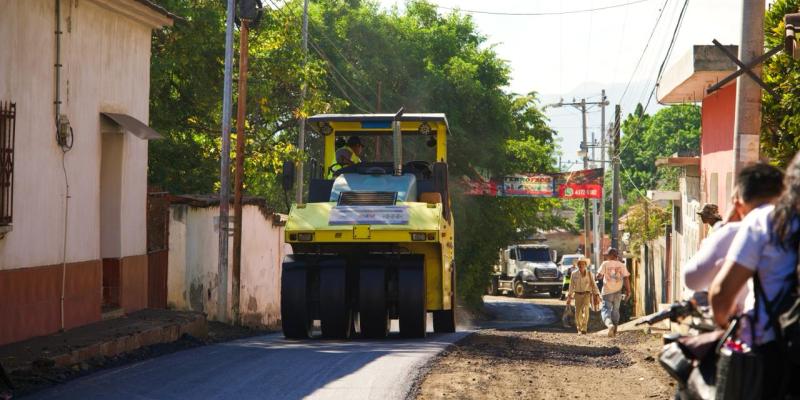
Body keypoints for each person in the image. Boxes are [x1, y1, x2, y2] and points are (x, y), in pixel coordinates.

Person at [710, 155, 800, 399]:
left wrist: (724, 324)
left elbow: (720, 295)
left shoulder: (766, 220)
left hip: (775, 353)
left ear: (789, 183)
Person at [683, 163, 784, 301]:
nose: (702, 218)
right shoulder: (790, 225)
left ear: (738, 205)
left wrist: (724, 230)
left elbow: (692, 280)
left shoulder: (737, 231)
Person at [596, 248, 630, 337]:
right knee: (615, 310)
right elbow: (626, 278)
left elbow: (599, 276)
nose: (607, 256)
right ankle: (614, 330)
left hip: (607, 292)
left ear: (610, 255)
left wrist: (598, 276)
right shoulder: (622, 265)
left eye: (607, 255)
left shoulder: (605, 264)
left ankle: (610, 325)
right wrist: (628, 291)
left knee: (605, 309)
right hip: (618, 291)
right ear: (616, 255)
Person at [565, 258, 600, 335]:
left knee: (586, 310)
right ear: (577, 265)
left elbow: (594, 285)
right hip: (577, 295)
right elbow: (571, 286)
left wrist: (597, 294)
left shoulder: (589, 274)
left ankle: (584, 328)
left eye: (583, 264)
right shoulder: (574, 274)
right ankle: (579, 328)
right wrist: (569, 296)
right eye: (579, 264)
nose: (581, 265)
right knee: (578, 313)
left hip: (586, 294)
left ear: (585, 265)